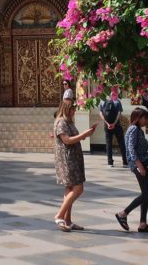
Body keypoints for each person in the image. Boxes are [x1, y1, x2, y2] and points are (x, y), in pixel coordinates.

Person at [52, 99, 97, 232]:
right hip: (67, 160)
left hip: (74, 157)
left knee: (70, 189)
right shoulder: (61, 122)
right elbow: (66, 140)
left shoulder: (69, 122)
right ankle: (59, 215)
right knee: (78, 188)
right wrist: (84, 134)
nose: (74, 111)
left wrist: (86, 134)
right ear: (66, 109)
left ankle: (67, 220)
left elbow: (74, 137)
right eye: (72, 109)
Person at [115, 107, 148, 233]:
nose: (146, 121)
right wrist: (139, 165)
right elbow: (131, 149)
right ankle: (123, 214)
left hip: (141, 162)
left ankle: (143, 223)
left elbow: (138, 147)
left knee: (146, 193)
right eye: (145, 118)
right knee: (146, 194)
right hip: (137, 164)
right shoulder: (134, 129)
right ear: (138, 118)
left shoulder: (138, 130)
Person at [99, 93, 127, 168]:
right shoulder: (117, 101)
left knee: (108, 143)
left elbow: (101, 113)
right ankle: (125, 162)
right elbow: (119, 113)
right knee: (121, 142)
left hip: (107, 125)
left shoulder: (102, 101)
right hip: (116, 125)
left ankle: (110, 162)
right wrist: (114, 123)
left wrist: (107, 123)